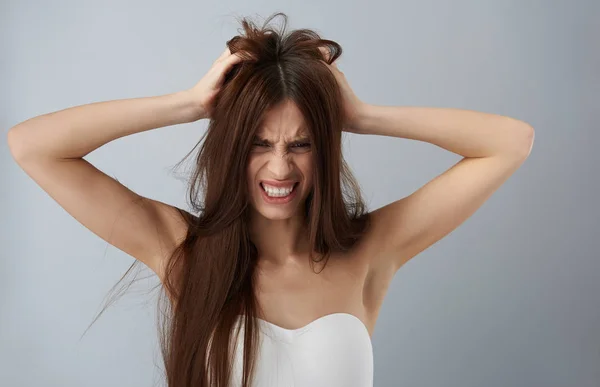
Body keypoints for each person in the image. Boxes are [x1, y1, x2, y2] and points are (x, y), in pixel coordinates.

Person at [7, 12, 534, 387]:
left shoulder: (369, 251)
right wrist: (189, 103)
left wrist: (361, 115)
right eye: (259, 143)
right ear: (232, 147)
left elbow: (510, 143)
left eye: (301, 144)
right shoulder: (181, 252)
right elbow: (32, 146)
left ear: (324, 150)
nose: (280, 167)